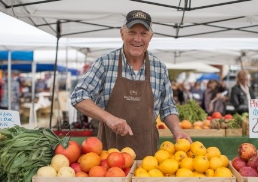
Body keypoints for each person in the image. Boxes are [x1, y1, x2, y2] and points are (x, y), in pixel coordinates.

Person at [70, 10, 192, 160]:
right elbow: (78, 96)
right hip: (109, 158)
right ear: (122, 34)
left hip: (147, 159)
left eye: (143, 34)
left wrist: (177, 130)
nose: (137, 39)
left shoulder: (159, 67)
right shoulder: (105, 62)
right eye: (132, 32)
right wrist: (108, 118)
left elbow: (167, 107)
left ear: (151, 37)